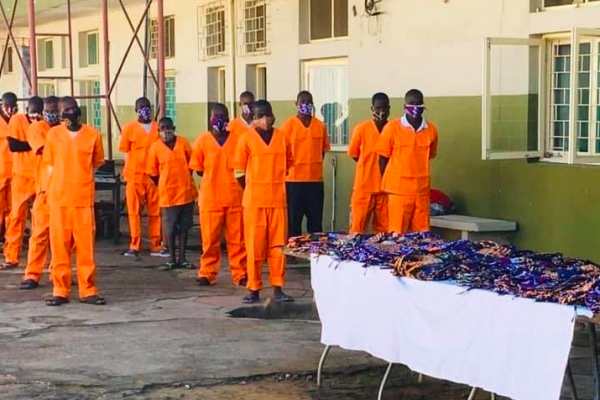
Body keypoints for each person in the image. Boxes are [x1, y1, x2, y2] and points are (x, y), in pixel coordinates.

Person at [44, 96, 105, 306]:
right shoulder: (53, 135)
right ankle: (60, 290)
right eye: (65, 110)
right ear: (60, 115)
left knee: (85, 249)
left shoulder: (93, 135)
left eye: (72, 108)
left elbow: (96, 163)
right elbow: (49, 167)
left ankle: (88, 290)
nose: (70, 112)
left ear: (79, 109)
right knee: (59, 248)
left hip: (83, 200)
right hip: (59, 200)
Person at [234, 100, 294, 304]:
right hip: (254, 202)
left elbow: (289, 164)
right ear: (253, 118)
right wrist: (252, 189)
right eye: (260, 115)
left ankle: (278, 288)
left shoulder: (283, 138)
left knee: (278, 247)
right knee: (254, 247)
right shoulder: (246, 139)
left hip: (278, 201)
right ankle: (254, 288)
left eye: (268, 115)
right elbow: (239, 172)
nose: (265, 119)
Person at [190, 103, 247, 287]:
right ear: (210, 119)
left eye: (223, 116)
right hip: (210, 199)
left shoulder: (239, 139)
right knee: (209, 240)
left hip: (235, 198)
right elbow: (198, 169)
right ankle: (207, 273)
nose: (219, 120)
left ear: (229, 118)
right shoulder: (202, 141)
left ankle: (241, 273)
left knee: (237, 240)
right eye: (216, 116)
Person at [376, 89, 438, 234]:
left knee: (422, 236)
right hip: (398, 191)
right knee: (397, 234)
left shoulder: (431, 130)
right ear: (405, 106)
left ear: (423, 105)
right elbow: (382, 158)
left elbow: (430, 155)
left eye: (419, 104)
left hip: (421, 191)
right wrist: (388, 183)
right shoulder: (392, 127)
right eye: (411, 104)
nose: (415, 107)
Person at [20, 96, 61, 290]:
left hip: (63, 191)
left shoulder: (65, 130)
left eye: (56, 110)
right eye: (49, 110)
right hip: (45, 190)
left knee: (61, 238)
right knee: (39, 235)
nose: (52, 114)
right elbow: (46, 151)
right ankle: (32, 274)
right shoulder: (36, 129)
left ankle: (58, 274)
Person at [119, 97, 166, 258]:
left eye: (147, 107)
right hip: (134, 177)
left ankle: (156, 244)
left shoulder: (157, 127)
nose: (145, 110)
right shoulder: (129, 128)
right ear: (136, 110)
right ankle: (135, 245)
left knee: (155, 213)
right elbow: (125, 152)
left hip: (153, 178)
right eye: (141, 108)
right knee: (133, 213)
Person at [147, 117, 196, 270]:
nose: (166, 131)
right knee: (169, 228)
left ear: (174, 127)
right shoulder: (155, 148)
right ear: (158, 130)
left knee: (184, 227)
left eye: (168, 127)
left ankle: (182, 258)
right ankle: (171, 259)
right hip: (168, 195)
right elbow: (152, 172)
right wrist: (163, 184)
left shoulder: (183, 143)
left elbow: (192, 163)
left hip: (186, 192)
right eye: (162, 128)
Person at [281, 91, 330, 238]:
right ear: (296, 104)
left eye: (308, 102)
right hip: (294, 180)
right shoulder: (287, 126)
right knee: (293, 220)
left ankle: (314, 253)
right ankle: (293, 252)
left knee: (315, 221)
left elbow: (323, 151)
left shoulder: (320, 126)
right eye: (302, 102)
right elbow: (283, 152)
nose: (305, 105)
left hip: (315, 181)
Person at [1, 96, 42, 270]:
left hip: (41, 178)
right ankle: (11, 256)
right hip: (21, 177)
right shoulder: (17, 120)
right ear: (26, 110)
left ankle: (44, 261)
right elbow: (14, 146)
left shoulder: (44, 124)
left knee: (42, 222)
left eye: (39, 115)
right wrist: (35, 144)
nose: (35, 118)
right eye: (32, 114)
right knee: (16, 217)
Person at [347, 93, 391, 234]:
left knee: (384, 232)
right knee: (357, 229)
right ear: (372, 108)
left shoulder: (393, 128)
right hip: (364, 187)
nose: (381, 112)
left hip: (385, 189)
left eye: (384, 108)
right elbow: (354, 154)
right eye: (378, 108)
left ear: (389, 108)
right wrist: (368, 165)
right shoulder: (361, 129)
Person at [0, 92, 16, 244]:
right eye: (7, 106)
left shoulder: (17, 120)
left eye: (13, 106)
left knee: (13, 210)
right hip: (1, 172)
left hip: (15, 172)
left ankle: (10, 241)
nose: (10, 109)